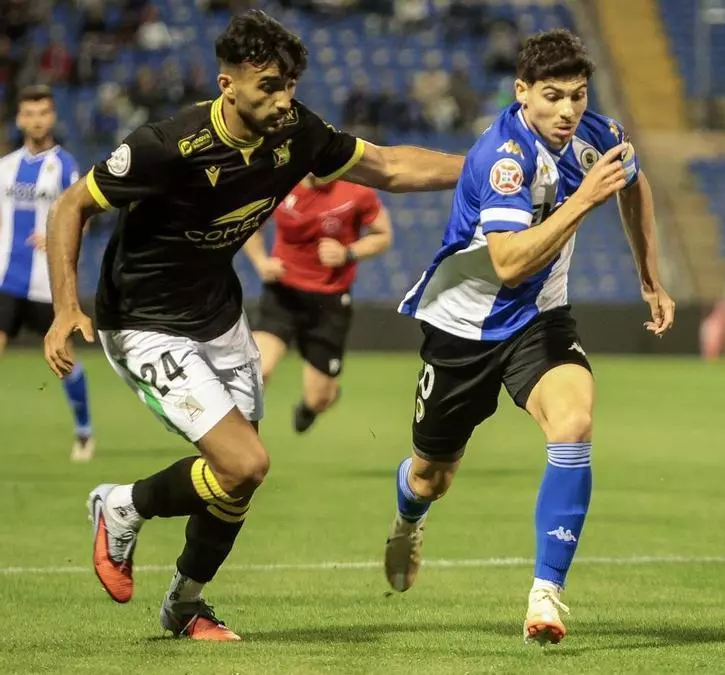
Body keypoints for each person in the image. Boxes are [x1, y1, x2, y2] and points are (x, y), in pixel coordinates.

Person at [41, 10, 463, 640]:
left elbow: (390, 167)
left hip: (218, 316)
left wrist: (483, 167)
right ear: (228, 85)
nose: (283, 99)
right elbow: (70, 205)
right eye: (268, 85)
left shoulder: (297, 132)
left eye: (289, 84)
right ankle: (122, 504)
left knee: (236, 483)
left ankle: (185, 604)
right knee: (245, 463)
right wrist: (64, 307)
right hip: (143, 322)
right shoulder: (167, 145)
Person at [385, 29, 675, 646]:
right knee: (432, 475)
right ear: (522, 92)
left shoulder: (600, 134)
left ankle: (546, 594)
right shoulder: (503, 157)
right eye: (552, 96)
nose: (567, 110)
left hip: (540, 319)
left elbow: (634, 183)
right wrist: (583, 200)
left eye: (577, 94)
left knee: (573, 423)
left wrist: (649, 276)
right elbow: (510, 262)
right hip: (463, 330)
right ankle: (409, 514)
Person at [246, 175, 393, 433]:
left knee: (319, 398)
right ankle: (239, 443)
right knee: (257, 372)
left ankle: (312, 406)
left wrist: (348, 252)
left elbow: (383, 235)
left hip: (329, 301)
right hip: (283, 293)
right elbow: (248, 222)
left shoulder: (357, 191)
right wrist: (260, 262)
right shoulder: (280, 179)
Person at [0, 85, 94, 462]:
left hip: (47, 283)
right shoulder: (6, 167)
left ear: (52, 117)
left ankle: (84, 431)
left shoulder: (65, 166)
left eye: (43, 113)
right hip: (6, 279)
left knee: (63, 360)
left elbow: (83, 217)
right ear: (20, 119)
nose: (36, 120)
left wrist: (58, 235)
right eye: (29, 114)